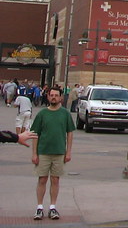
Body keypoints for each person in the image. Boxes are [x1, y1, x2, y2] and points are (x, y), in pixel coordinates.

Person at [30, 86, 75, 221]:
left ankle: (52, 207)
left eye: (56, 95)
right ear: (48, 97)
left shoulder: (65, 114)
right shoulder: (42, 114)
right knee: (42, 179)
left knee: (55, 180)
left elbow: (70, 133)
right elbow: (35, 134)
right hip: (43, 152)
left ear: (61, 97)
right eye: (51, 95)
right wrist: (34, 153)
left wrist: (68, 152)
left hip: (59, 152)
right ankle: (39, 208)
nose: (54, 97)